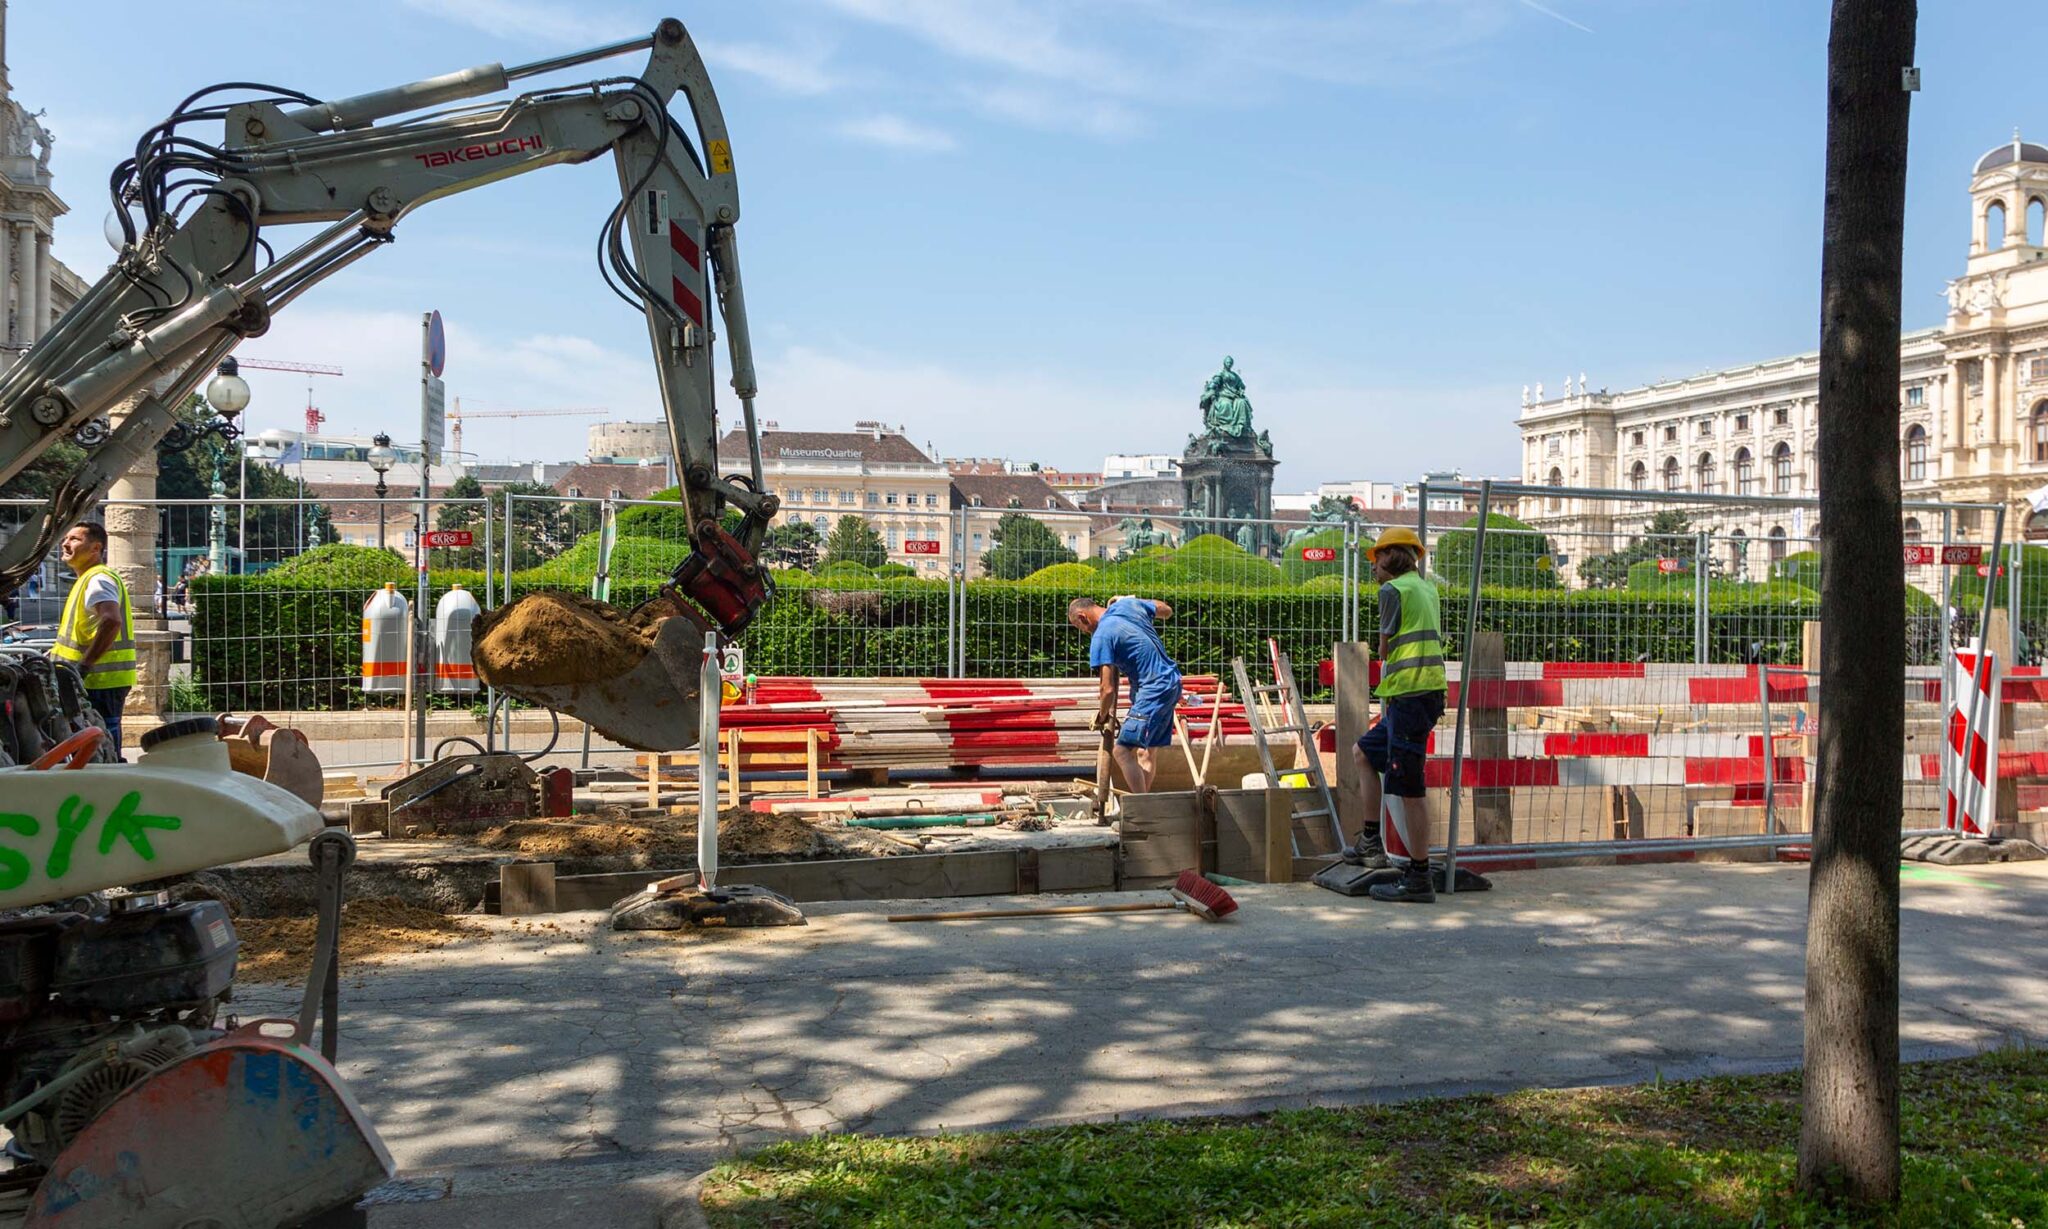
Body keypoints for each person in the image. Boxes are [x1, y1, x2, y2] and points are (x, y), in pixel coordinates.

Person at [1350, 527, 1446, 903]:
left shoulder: (1392, 591)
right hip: (1422, 693)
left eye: (1376, 559)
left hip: (1411, 693)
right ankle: (1371, 839)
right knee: (1364, 752)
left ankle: (1419, 877)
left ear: (1392, 557)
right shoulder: (1426, 587)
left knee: (1408, 787)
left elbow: (1385, 648)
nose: (1373, 567)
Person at [1067, 595, 1182, 794]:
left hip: (1152, 689)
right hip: (1171, 682)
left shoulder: (1102, 635)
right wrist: (1134, 599)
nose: (1084, 632)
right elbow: (1167, 610)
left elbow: (1107, 689)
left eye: (1080, 627)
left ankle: (1141, 808)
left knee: (1121, 752)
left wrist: (1102, 716)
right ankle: (1146, 806)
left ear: (1083, 617)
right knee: (1146, 752)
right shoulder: (1128, 605)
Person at [50, 521, 137, 753]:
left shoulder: (97, 579)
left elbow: (112, 620)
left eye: (75, 539)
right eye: (65, 538)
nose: (66, 543)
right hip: (95, 681)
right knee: (98, 741)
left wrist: (84, 666)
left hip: (97, 682)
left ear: (96, 548)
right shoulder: (88, 579)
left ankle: (109, 781)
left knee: (101, 742)